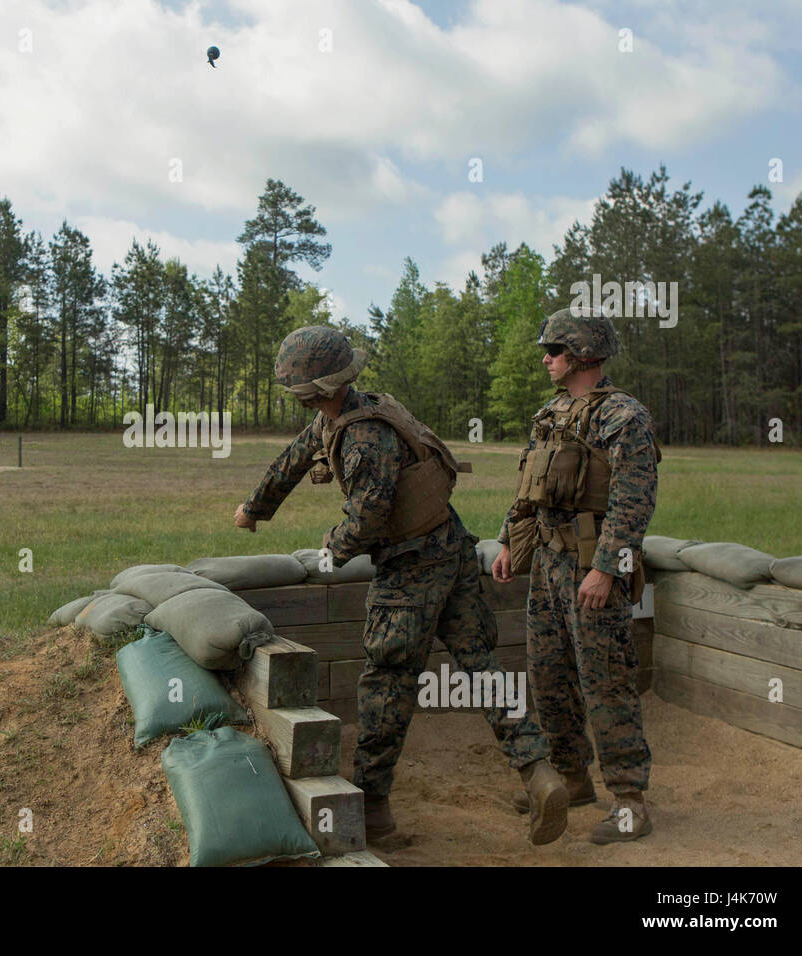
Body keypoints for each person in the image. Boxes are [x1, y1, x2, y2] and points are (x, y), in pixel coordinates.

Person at [235, 325, 569, 845]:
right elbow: (294, 460)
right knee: (481, 667)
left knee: (386, 685)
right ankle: (538, 771)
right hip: (454, 550)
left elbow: (368, 520)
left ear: (310, 392)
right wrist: (255, 509)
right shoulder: (356, 412)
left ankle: (373, 812)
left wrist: (330, 549)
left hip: (410, 571)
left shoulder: (364, 440)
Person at [492, 307, 660, 843]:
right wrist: (505, 539)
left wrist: (607, 569)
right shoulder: (551, 413)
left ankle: (630, 800)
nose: (546, 359)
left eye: (555, 351)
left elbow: (634, 501)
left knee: (605, 681)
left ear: (582, 355)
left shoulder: (623, 417)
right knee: (548, 676)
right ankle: (571, 776)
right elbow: (529, 483)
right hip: (547, 563)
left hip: (591, 570)